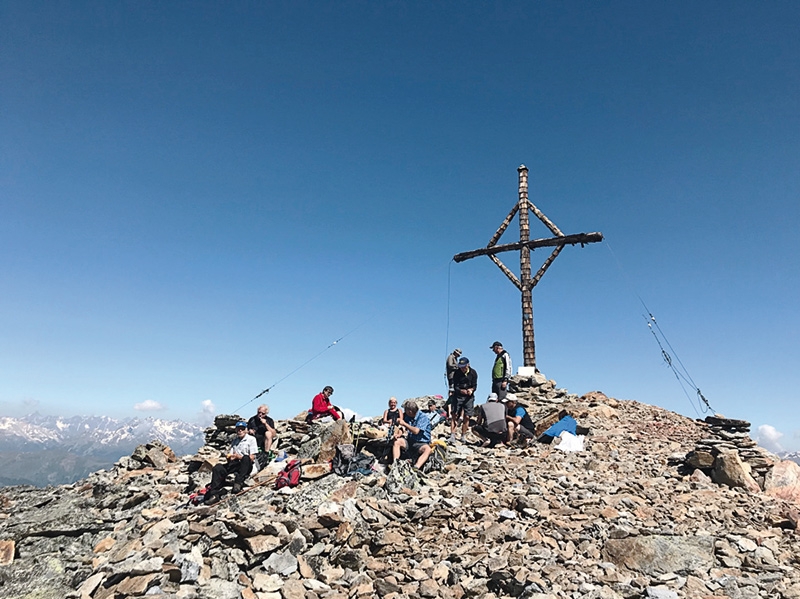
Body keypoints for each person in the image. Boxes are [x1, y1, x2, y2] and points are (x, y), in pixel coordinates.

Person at [205, 420, 258, 505]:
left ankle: (238, 482)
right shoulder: (235, 441)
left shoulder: (251, 439)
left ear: (246, 430)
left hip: (246, 465)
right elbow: (231, 453)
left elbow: (252, 457)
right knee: (218, 467)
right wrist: (230, 457)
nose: (240, 431)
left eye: (242, 429)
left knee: (245, 458)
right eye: (238, 429)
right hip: (235, 464)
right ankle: (214, 494)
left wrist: (239, 457)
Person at [392, 400, 432, 470]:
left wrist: (404, 423)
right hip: (410, 441)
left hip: (421, 443)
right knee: (397, 442)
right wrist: (399, 434)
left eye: (406, 411)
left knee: (427, 449)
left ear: (410, 411)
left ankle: (416, 467)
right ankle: (395, 464)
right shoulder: (407, 416)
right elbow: (404, 427)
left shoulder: (423, 417)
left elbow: (416, 431)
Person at [449, 356, 477, 444]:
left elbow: (475, 385)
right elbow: (455, 386)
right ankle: (452, 434)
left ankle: (463, 435)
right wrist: (461, 391)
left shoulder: (473, 373)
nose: (462, 369)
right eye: (461, 367)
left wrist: (471, 390)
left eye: (464, 367)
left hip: (469, 397)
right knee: (454, 414)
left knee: (467, 416)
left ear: (468, 365)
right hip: (458, 396)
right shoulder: (457, 373)